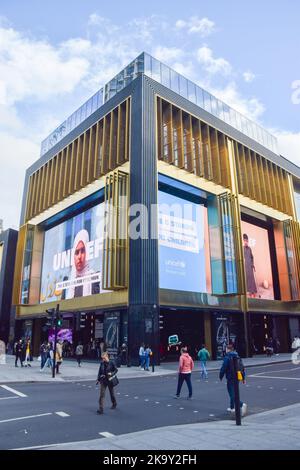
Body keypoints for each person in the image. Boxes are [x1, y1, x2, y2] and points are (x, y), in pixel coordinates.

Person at [66, 229, 100, 299]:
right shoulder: (70, 282)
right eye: (77, 252)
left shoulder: (94, 279)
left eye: (83, 251)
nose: (79, 256)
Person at [219, 343, 247, 416]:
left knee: (232, 393)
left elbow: (223, 368)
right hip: (237, 377)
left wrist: (220, 376)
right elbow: (242, 367)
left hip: (231, 377)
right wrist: (243, 378)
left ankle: (241, 404)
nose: (225, 350)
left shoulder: (227, 357)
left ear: (228, 349)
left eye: (226, 349)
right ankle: (232, 407)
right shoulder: (237, 356)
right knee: (234, 391)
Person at [243, 233, 257, 298]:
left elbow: (252, 257)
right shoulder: (242, 249)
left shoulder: (249, 249)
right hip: (245, 266)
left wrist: (253, 264)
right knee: (247, 278)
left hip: (250, 265)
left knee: (252, 279)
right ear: (243, 241)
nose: (246, 242)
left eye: (247, 241)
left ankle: (253, 292)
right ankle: (249, 292)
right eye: (245, 241)